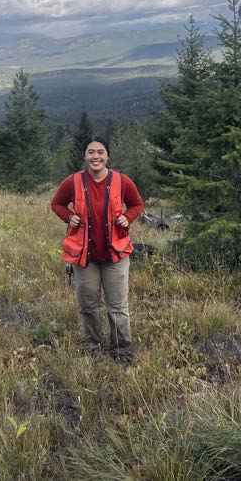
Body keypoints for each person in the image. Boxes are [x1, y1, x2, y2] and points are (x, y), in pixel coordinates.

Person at [51, 136, 144, 365]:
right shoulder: (73, 182)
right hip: (85, 257)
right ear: (85, 156)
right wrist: (69, 217)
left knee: (118, 307)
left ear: (107, 156)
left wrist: (127, 217)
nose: (96, 156)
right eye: (91, 152)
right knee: (88, 306)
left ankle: (122, 352)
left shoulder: (122, 181)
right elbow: (56, 204)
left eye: (100, 152)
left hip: (116, 255)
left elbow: (137, 205)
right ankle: (93, 348)